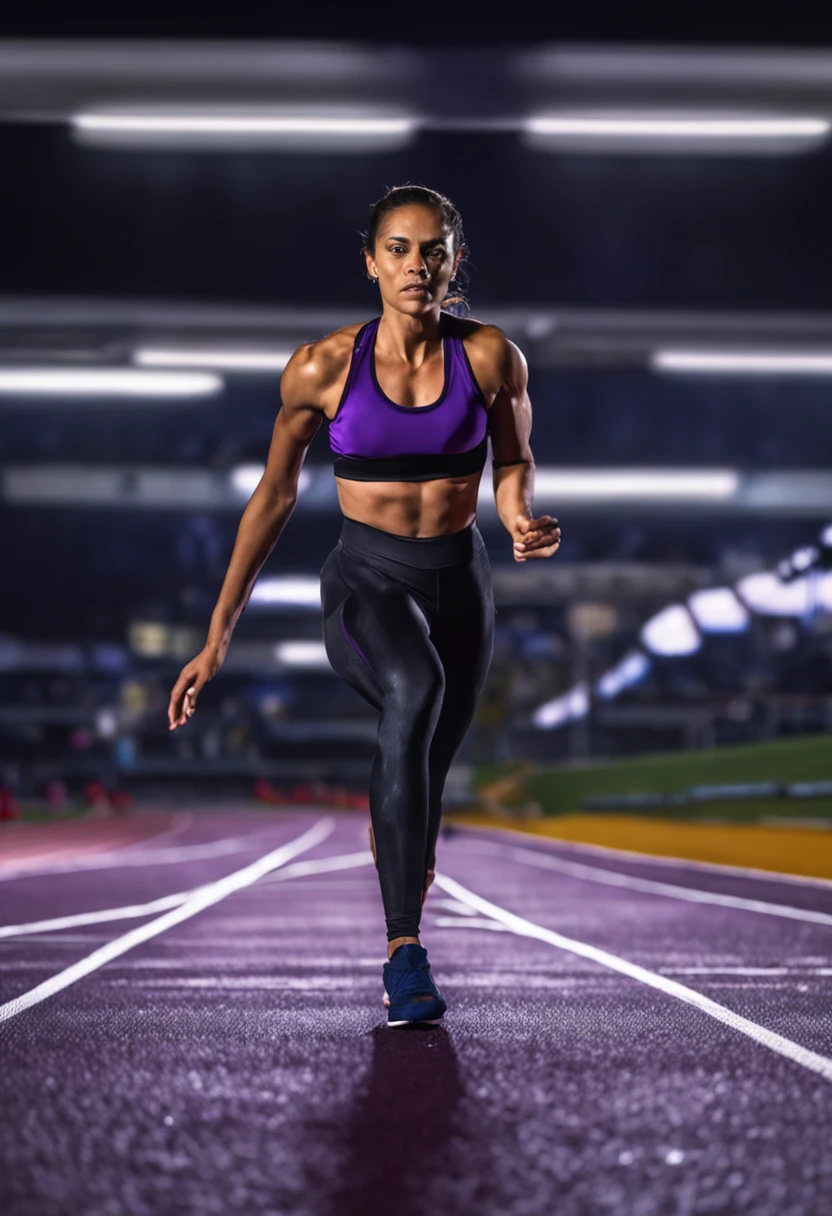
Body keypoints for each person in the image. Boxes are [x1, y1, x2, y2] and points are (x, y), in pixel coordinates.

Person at [167, 185, 561, 1026]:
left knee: (426, 774)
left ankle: (398, 837)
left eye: (433, 250)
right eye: (399, 249)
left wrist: (521, 516)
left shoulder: (492, 358)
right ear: (371, 261)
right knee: (415, 689)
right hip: (367, 583)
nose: (416, 265)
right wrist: (217, 636)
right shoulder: (323, 368)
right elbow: (272, 496)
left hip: (461, 583)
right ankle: (403, 953)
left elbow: (514, 462)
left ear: (454, 262)